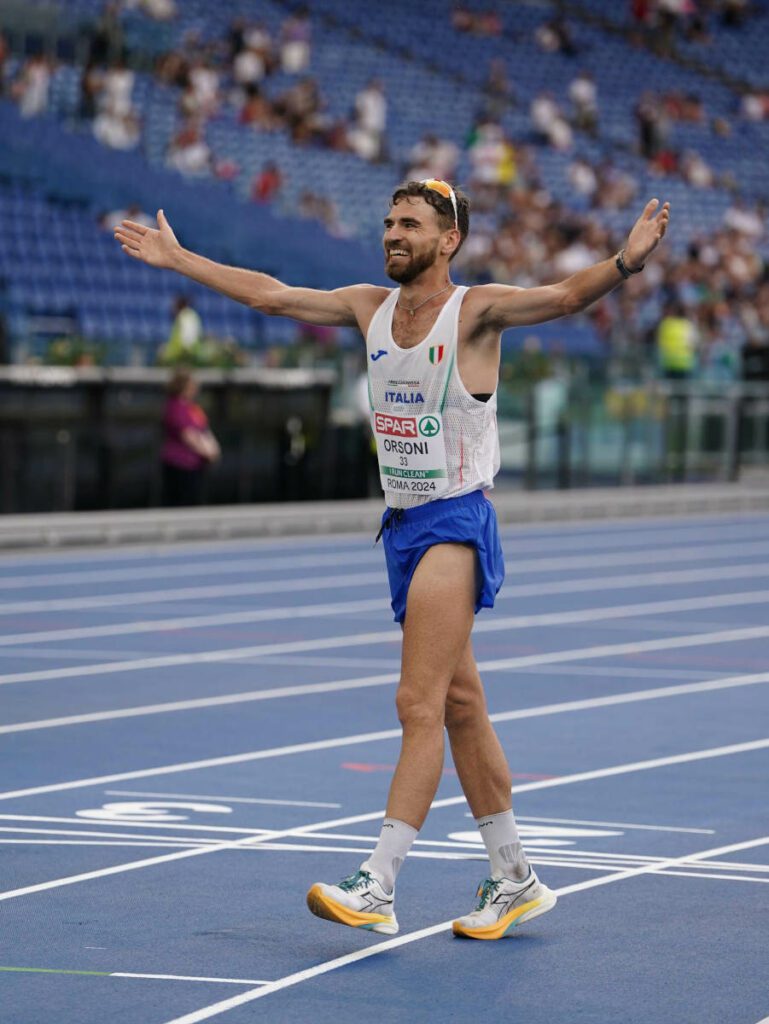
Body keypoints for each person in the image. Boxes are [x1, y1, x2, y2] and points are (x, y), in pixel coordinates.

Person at [114, 178, 670, 939]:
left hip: (454, 522)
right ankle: (514, 877)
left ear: (448, 240)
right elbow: (272, 296)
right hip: (402, 529)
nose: (392, 233)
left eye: (409, 224)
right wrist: (182, 261)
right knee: (462, 707)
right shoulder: (367, 306)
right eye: (387, 222)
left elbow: (567, 296)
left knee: (418, 704)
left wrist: (624, 262)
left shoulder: (474, 311)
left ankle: (377, 882)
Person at [160, 368, 220, 506]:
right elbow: (187, 434)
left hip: (196, 465)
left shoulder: (193, 408)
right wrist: (207, 451)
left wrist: (214, 449)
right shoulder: (175, 407)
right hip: (179, 464)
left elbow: (204, 429)